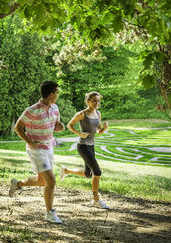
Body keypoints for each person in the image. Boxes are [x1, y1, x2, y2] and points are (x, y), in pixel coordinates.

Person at [9, 81, 65, 224]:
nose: (57, 95)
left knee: (42, 181)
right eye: (57, 93)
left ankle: (18, 184)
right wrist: (29, 142)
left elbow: (55, 127)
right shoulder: (32, 110)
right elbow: (18, 127)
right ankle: (50, 213)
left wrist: (60, 127)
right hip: (36, 150)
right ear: (51, 95)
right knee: (51, 181)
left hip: (49, 147)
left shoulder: (55, 108)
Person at [60, 91, 110, 210]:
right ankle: (96, 199)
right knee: (97, 172)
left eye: (98, 101)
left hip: (91, 146)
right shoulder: (82, 114)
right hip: (82, 146)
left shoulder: (98, 113)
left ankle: (66, 171)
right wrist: (79, 133)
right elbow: (69, 125)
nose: (97, 103)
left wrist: (104, 128)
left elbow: (98, 131)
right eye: (94, 101)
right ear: (88, 101)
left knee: (88, 174)